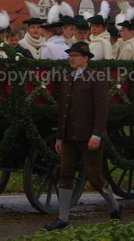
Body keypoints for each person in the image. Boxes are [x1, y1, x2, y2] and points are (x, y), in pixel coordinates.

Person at [45, 41, 121, 230]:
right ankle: (63, 218)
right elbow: (63, 110)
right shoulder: (67, 79)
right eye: (70, 55)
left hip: (89, 137)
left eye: (76, 56)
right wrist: (59, 137)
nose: (71, 58)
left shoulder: (96, 78)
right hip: (70, 136)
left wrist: (96, 135)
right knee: (65, 174)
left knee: (95, 178)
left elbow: (102, 110)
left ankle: (115, 207)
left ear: (85, 58)